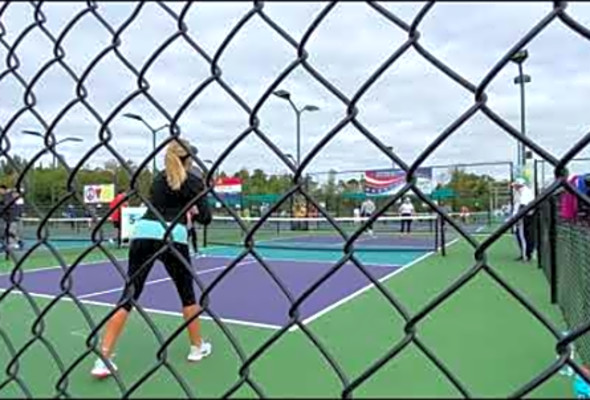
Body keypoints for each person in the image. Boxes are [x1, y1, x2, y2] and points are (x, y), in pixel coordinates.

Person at [91, 139, 213, 379]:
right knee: (187, 295)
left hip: (144, 233)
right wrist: (195, 210)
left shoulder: (158, 179)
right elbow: (206, 218)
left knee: (129, 295)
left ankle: (102, 358)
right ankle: (197, 348)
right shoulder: (195, 182)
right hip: (173, 237)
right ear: (188, 159)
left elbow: (163, 201)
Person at [511, 177, 536, 262]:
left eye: (516, 186)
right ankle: (525, 253)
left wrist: (518, 218)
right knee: (523, 236)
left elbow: (523, 206)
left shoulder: (525, 192)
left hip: (524, 218)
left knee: (523, 236)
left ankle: (526, 255)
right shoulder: (520, 192)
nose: (514, 188)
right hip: (524, 217)